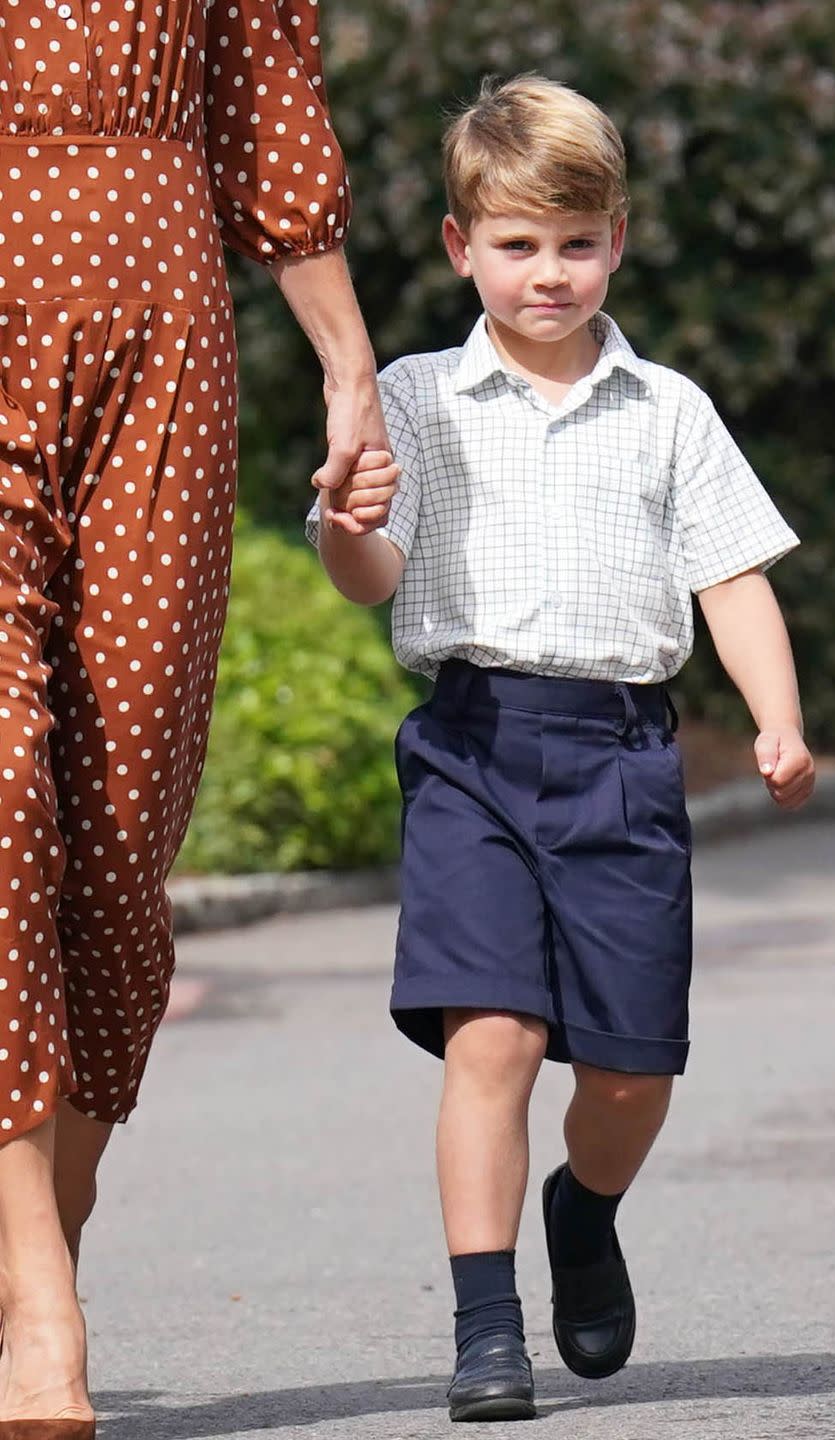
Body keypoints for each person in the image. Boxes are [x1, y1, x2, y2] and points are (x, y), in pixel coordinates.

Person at [309, 74, 815, 1423]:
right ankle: (488, 1329)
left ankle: (583, 1212)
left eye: (575, 244)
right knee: (494, 1037)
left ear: (619, 242)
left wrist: (777, 715)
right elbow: (369, 577)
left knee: (632, 1069)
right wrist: (342, 519)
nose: (549, 273)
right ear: (460, 247)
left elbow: (734, 578)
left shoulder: (668, 410)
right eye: (518, 245)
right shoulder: (416, 400)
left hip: (622, 759)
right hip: (474, 748)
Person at [0, 3, 391, 1435]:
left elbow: (270, 110)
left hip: (163, 329)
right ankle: (40, 1301)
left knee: (116, 834)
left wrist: (350, 365)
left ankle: (44, 1219)